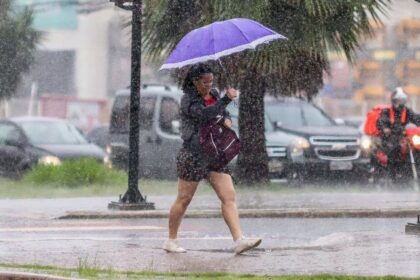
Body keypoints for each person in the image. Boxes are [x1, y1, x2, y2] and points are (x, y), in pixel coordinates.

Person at [162, 63, 262, 254]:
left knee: (228, 196)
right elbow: (204, 114)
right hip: (193, 154)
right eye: (205, 82)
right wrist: (225, 100)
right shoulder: (188, 100)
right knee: (184, 199)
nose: (209, 85)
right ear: (195, 81)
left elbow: (220, 113)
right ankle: (171, 240)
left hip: (214, 154)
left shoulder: (215, 95)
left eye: (211, 81)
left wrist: (227, 118)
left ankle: (239, 240)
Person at [376, 87, 420, 181]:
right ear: (393, 100)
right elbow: (381, 121)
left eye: (402, 100)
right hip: (390, 138)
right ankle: (393, 176)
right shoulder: (387, 111)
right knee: (394, 149)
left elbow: (416, 119)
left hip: (405, 137)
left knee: (416, 148)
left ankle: (412, 174)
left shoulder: (408, 111)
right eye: (398, 100)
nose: (400, 103)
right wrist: (385, 128)